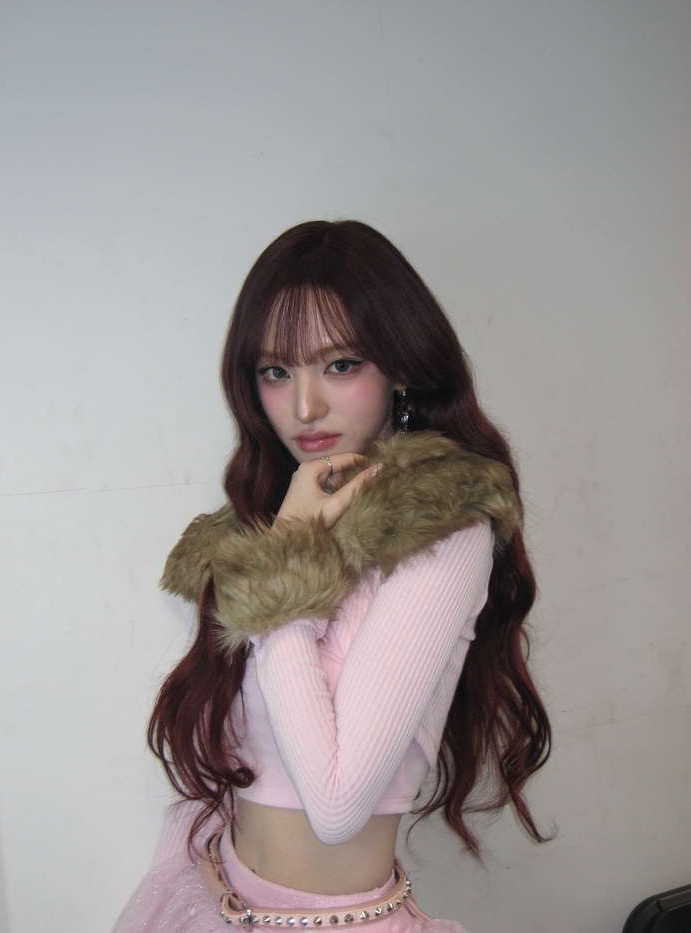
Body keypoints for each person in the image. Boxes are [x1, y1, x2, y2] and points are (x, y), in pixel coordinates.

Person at [112, 220, 551, 933]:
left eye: (340, 364)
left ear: (402, 366)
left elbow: (337, 804)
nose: (304, 407)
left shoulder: (442, 528)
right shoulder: (268, 522)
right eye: (275, 372)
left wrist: (282, 571)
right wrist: (284, 541)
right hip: (213, 896)